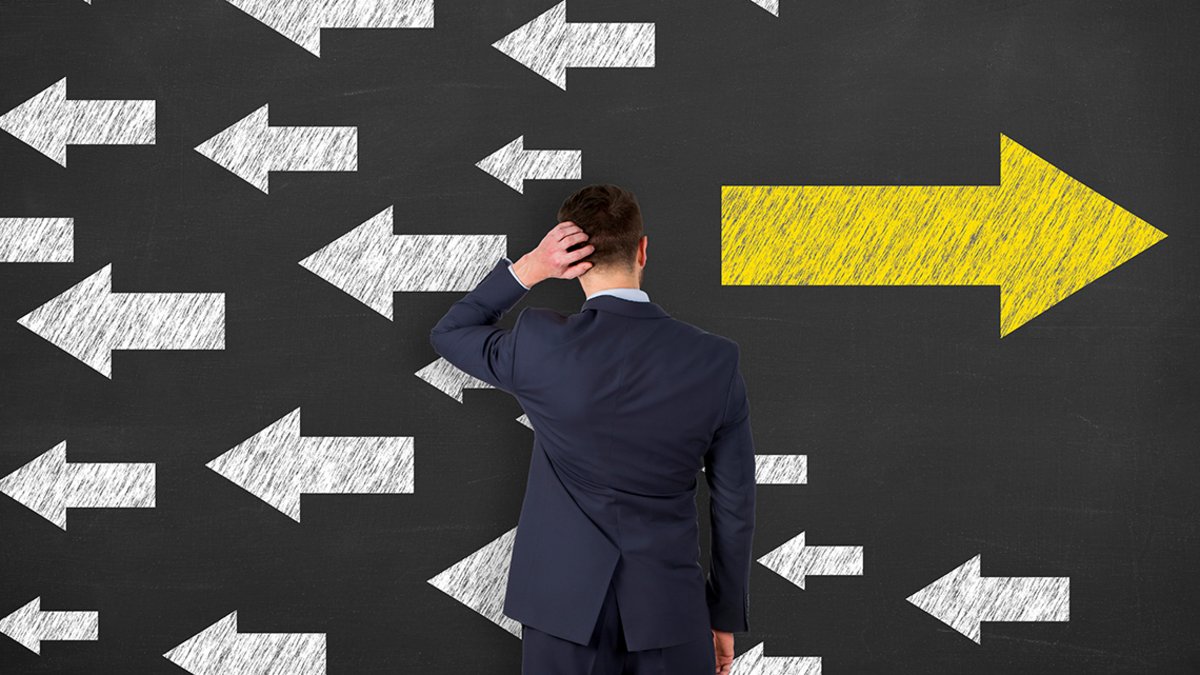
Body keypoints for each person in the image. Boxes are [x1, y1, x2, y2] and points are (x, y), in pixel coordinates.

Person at [430, 184, 756, 674]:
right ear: (642, 249)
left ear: (574, 261)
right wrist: (724, 614)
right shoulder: (716, 361)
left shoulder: (540, 344)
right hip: (670, 610)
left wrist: (530, 267)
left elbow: (450, 333)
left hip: (562, 610)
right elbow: (734, 505)